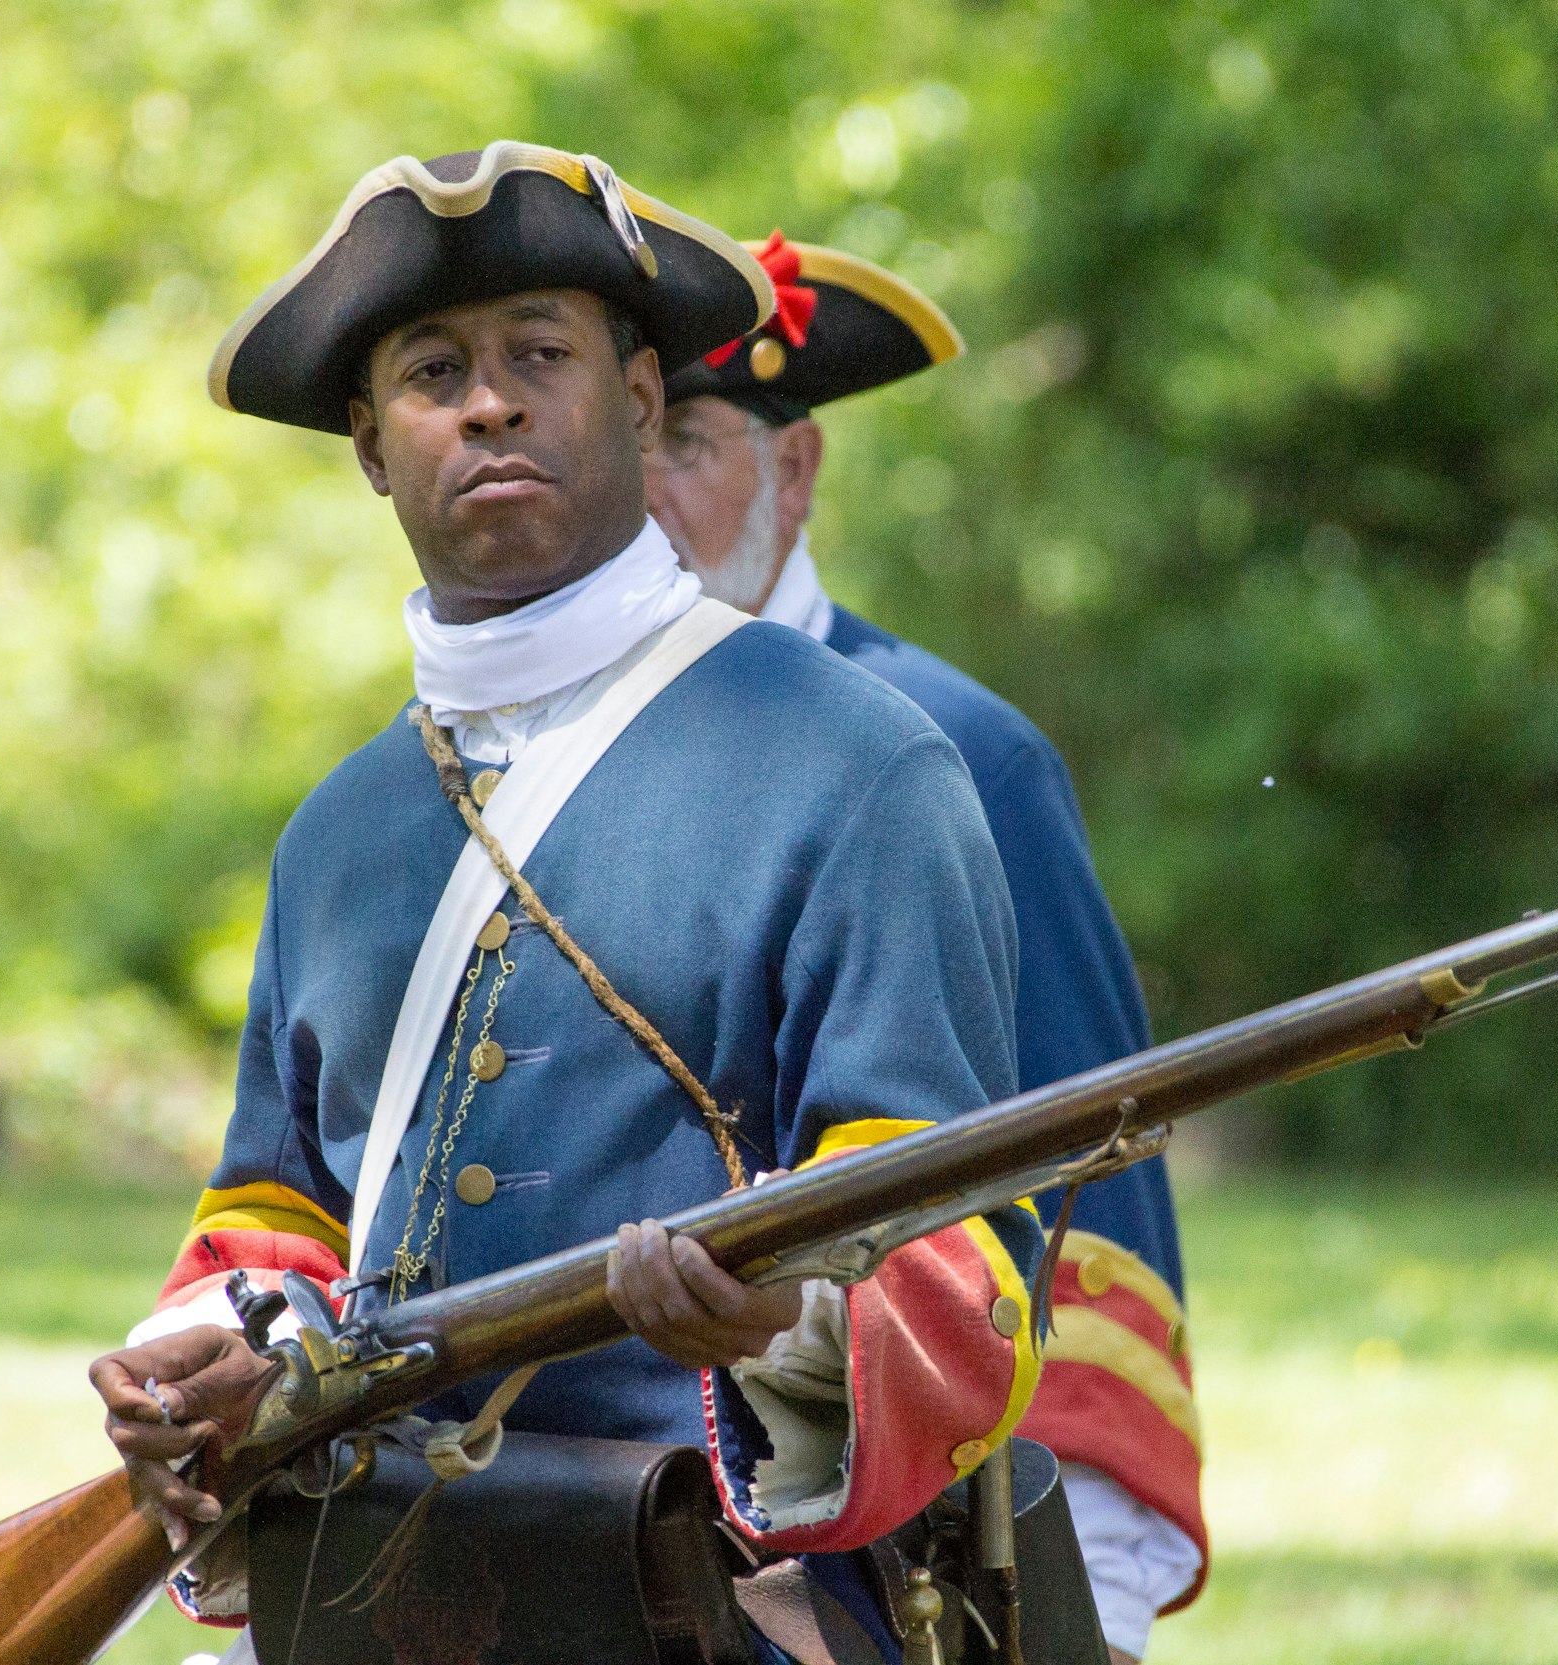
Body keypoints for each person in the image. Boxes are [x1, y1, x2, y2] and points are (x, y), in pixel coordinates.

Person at [84, 144, 1046, 1663]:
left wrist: (777, 1319)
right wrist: (199, 1367)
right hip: (369, 1588)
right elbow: (271, 1214)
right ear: (368, 442)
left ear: (644, 394)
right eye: (434, 370)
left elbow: (952, 1252)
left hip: (725, 1600)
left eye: (542, 353)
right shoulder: (336, 831)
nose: (490, 402)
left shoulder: (859, 763)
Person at [646, 232, 1207, 1661]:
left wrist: (1109, 1579)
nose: (644, 498)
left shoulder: (960, 756)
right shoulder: (518, 766)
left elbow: (1084, 1201)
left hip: (862, 1512)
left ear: (796, 470)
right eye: (626, 437)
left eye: (692, 444)